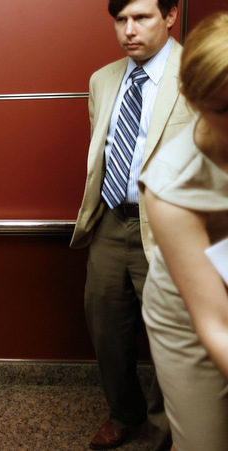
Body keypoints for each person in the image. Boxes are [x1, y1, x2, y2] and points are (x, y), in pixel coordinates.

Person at [69, 0, 195, 449]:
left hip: (171, 230)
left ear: (170, 14)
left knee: (172, 337)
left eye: (140, 17)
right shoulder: (102, 80)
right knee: (106, 326)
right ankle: (124, 415)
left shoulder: (198, 73)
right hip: (109, 223)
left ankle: (166, 430)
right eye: (120, 20)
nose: (128, 30)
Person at [139, 11, 228, 450]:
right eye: (226, 109)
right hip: (189, 309)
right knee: (205, 440)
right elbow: (216, 325)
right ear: (195, 103)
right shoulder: (172, 185)